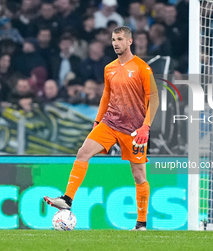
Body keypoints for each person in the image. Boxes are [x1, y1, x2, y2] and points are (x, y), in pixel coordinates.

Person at [44, 26, 159, 231]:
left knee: (139, 174)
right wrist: (97, 121)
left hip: (134, 129)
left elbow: (154, 98)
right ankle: (67, 199)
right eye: (113, 39)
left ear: (129, 42)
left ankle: (141, 224)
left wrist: (145, 127)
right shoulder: (109, 68)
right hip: (110, 123)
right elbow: (106, 95)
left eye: (120, 39)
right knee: (82, 153)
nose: (115, 43)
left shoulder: (142, 67)